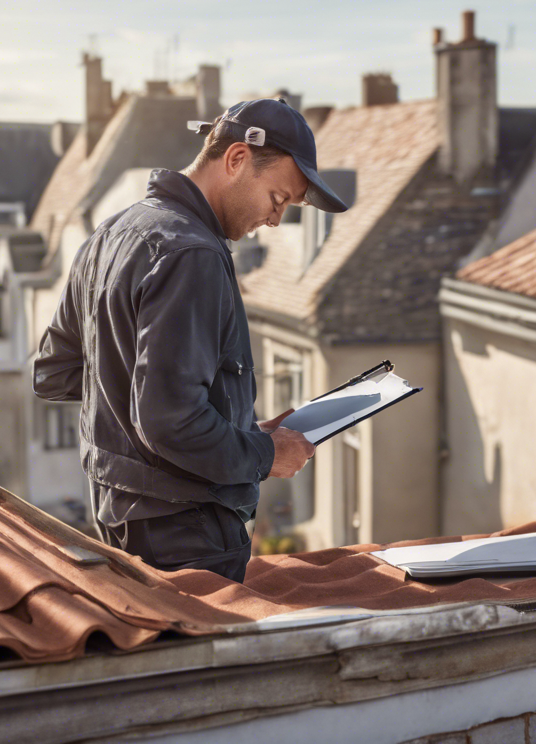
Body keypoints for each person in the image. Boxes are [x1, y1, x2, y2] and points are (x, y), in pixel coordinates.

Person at [32, 98, 349, 582]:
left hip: (120, 520)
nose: (275, 220)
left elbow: (54, 371)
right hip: (186, 533)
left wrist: (231, 426)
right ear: (238, 159)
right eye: (278, 199)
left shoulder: (113, 232)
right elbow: (167, 419)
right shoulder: (191, 255)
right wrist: (264, 455)